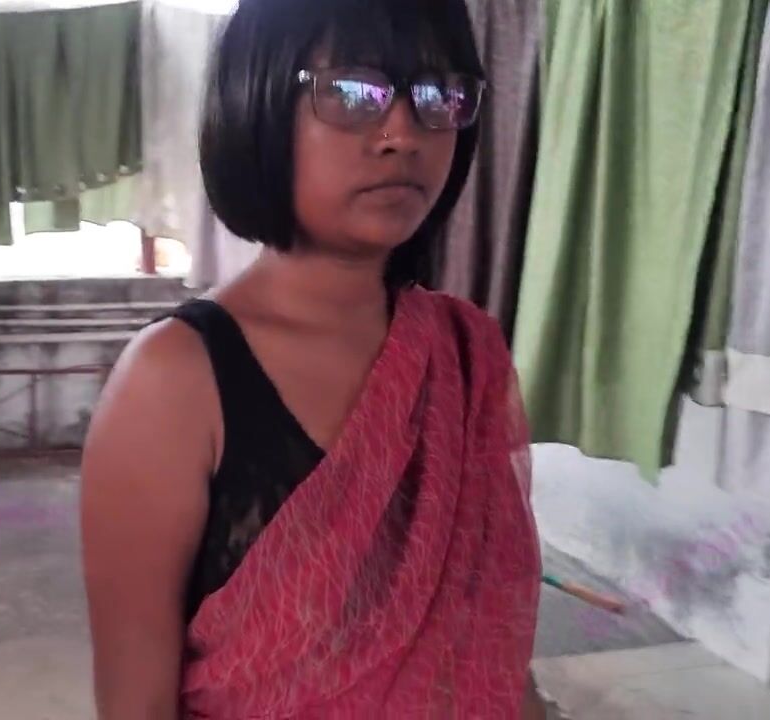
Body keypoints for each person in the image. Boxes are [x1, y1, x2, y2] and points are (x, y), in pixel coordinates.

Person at [80, 0, 544, 716]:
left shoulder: (465, 352)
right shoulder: (174, 380)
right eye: (353, 91)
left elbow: (491, 640)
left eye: (438, 95)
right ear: (258, 103)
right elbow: (134, 702)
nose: (404, 133)